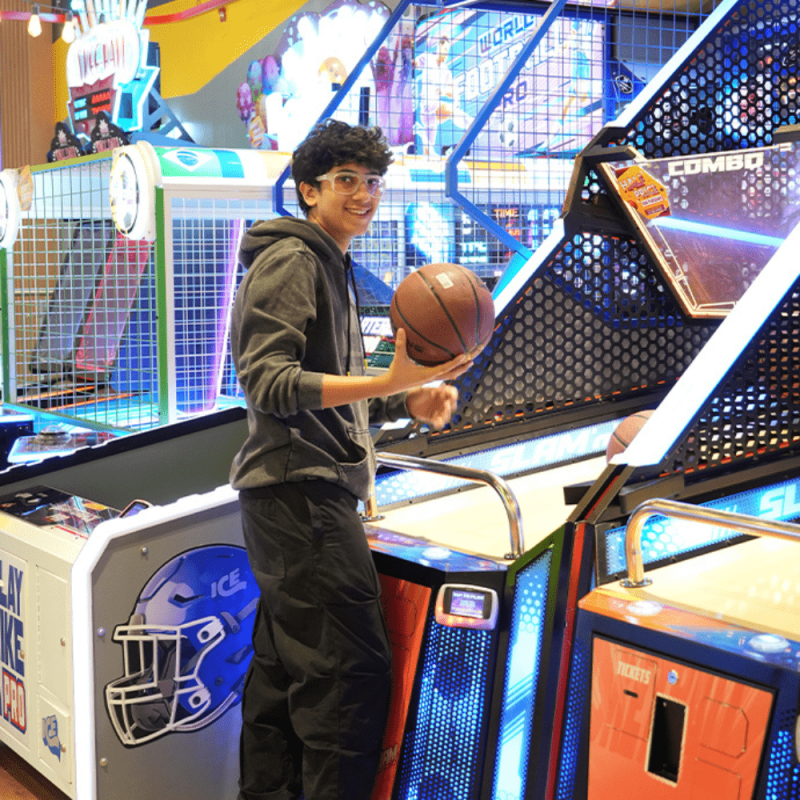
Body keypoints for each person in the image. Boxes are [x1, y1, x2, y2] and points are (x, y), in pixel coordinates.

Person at [230, 118, 472, 800]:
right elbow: (269, 382)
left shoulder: (327, 261)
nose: (364, 194)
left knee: (283, 677)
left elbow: (331, 389)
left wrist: (402, 400)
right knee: (348, 682)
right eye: (346, 181)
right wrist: (388, 381)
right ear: (309, 190)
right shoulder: (294, 260)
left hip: (289, 496)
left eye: (372, 182)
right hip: (301, 496)